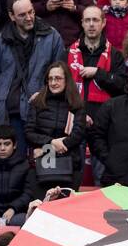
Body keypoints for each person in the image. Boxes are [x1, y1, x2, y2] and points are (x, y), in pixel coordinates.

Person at [0, 0, 67, 146]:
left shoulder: (52, 37)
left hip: (42, 115)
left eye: (31, 12)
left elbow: (62, 78)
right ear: (12, 16)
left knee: (41, 167)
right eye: (22, 15)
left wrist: (45, 96)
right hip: (9, 115)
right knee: (14, 166)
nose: (29, 17)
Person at [25, 62, 85, 193]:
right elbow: (29, 133)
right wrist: (51, 142)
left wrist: (47, 149)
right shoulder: (37, 102)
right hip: (41, 169)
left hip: (69, 168)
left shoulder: (76, 104)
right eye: (50, 78)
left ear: (66, 80)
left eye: (58, 78)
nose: (53, 82)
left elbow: (77, 135)